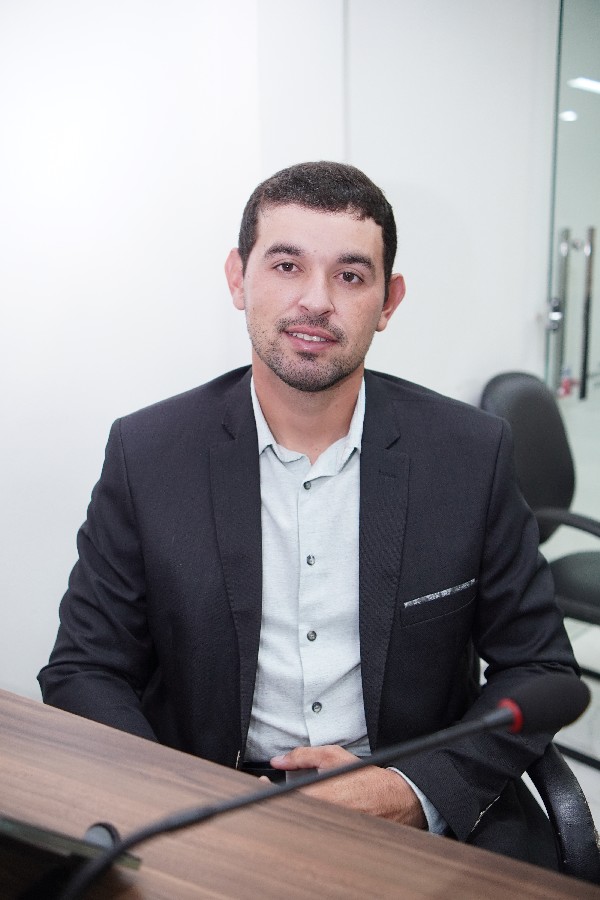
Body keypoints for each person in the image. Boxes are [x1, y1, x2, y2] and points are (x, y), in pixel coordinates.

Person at [39, 161, 578, 867]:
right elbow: (84, 669)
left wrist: (411, 790)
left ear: (388, 301)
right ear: (239, 278)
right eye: (287, 265)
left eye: (351, 275)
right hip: (206, 808)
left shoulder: (469, 454)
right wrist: (173, 797)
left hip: (410, 809)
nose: (316, 301)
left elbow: (537, 666)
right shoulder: (149, 453)